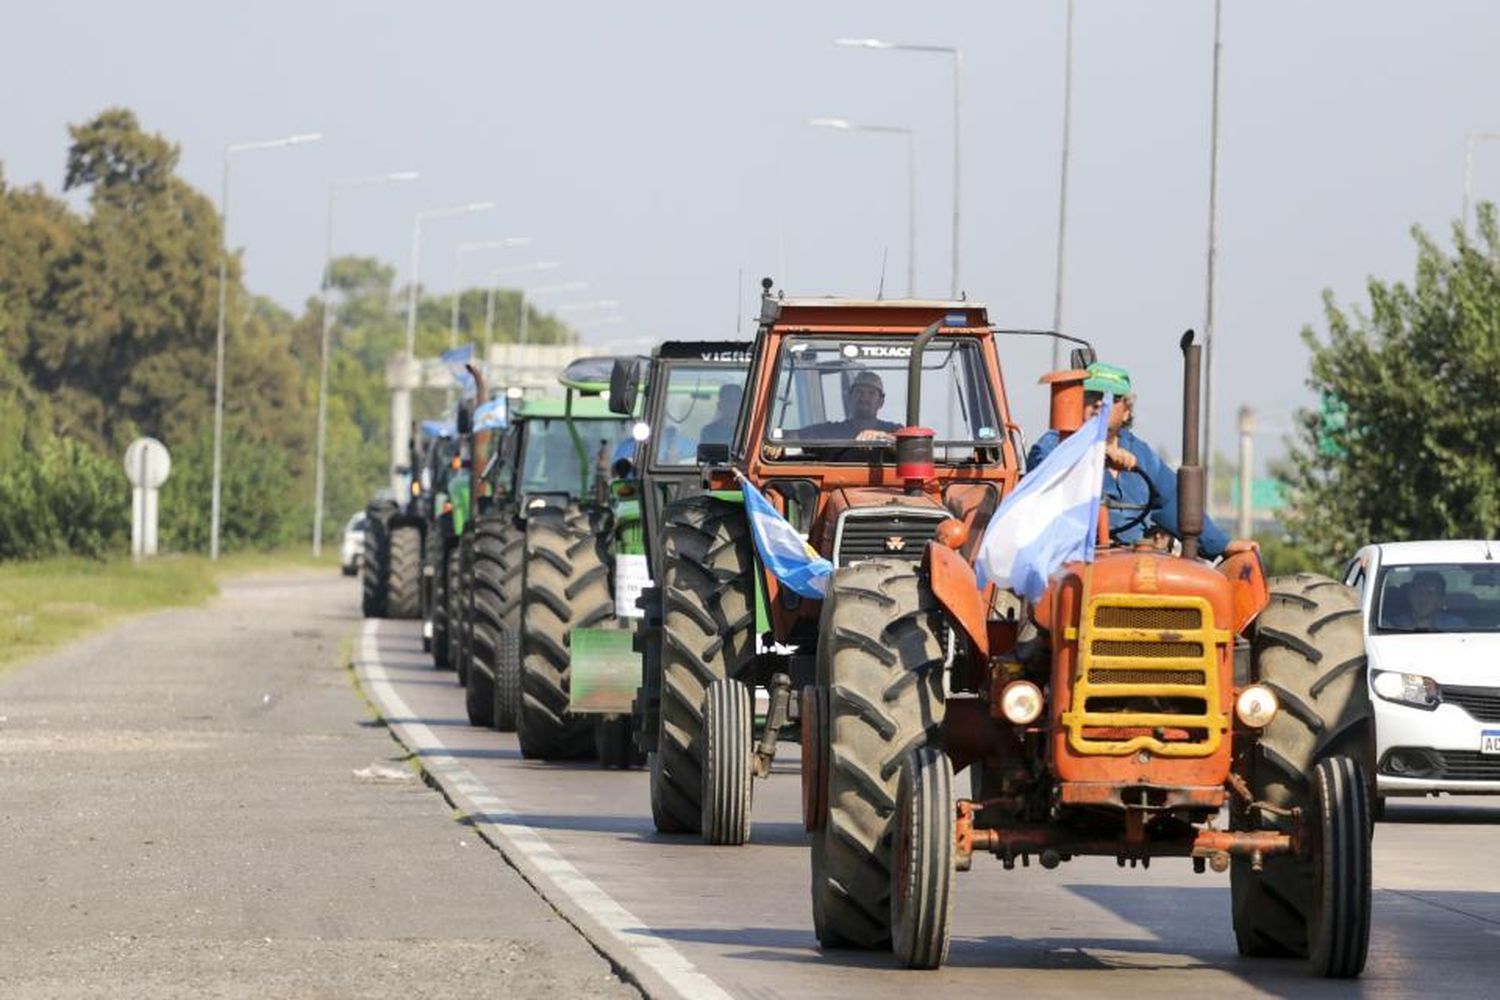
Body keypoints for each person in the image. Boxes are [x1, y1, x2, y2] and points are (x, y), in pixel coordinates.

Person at [1027, 361, 1256, 560]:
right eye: (1092, 396)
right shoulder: (1054, 444)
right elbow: (1046, 476)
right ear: (1078, 402)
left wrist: (1221, 545)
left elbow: (1175, 502)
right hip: (1073, 560)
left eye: (1111, 398)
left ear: (1126, 411)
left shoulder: (1141, 453)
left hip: (1135, 560)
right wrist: (1099, 454)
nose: (1099, 403)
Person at [1390, 570, 1467, 630]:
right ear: (1409, 595)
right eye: (1419, 591)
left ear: (1440, 600)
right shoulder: (1392, 625)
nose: (1422, 597)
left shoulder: (1456, 626)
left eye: (1430, 593)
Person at [697, 383, 743, 448]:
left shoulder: (749, 432)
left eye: (736, 400)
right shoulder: (709, 432)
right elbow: (704, 456)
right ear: (720, 405)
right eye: (729, 401)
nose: (733, 405)